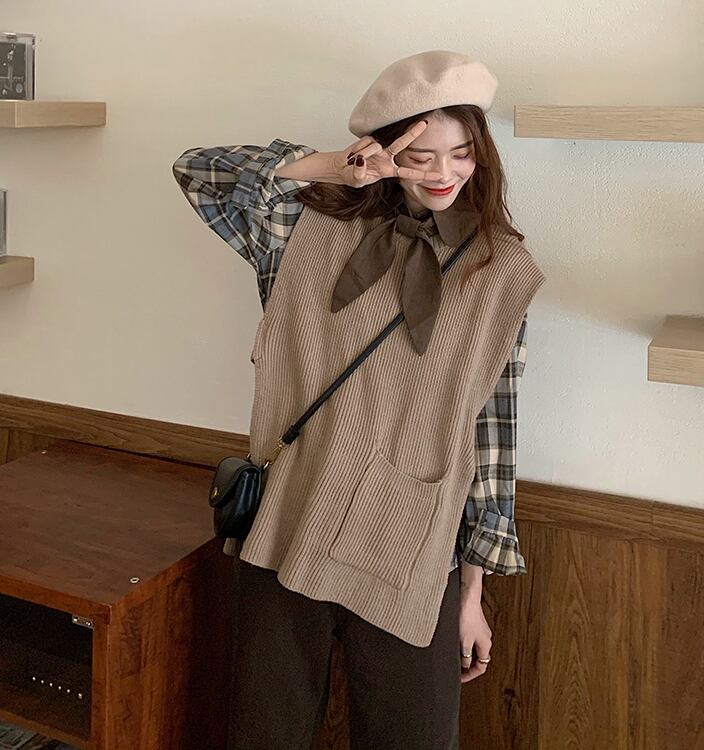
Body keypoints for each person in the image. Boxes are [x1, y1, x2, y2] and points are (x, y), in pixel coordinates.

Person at [173, 49, 545, 750]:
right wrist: (330, 168)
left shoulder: (502, 270)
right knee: (266, 734)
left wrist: (471, 595)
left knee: (414, 738)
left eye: (461, 153)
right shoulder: (301, 226)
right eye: (420, 156)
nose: (443, 173)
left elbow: (492, 434)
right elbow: (198, 171)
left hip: (413, 543)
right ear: (384, 150)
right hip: (291, 516)